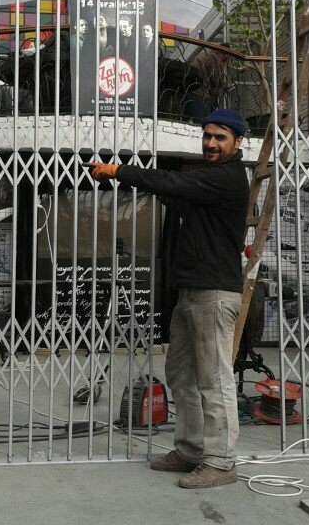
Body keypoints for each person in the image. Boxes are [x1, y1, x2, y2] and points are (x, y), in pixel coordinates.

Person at [87, 108, 250, 488]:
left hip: (214, 292)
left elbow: (175, 183)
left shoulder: (227, 177)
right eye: (207, 136)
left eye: (220, 137)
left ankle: (222, 461)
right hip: (191, 290)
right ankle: (191, 450)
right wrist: (147, 185)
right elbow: (175, 194)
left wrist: (119, 171)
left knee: (214, 380)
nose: (211, 143)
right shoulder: (208, 183)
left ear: (238, 142)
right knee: (180, 373)